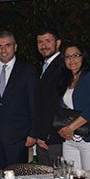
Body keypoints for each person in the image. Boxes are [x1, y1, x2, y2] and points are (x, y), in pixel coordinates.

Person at [0, 31, 37, 171]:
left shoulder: (28, 71)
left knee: (17, 178)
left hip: (18, 138)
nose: (3, 50)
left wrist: (33, 133)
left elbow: (34, 104)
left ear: (15, 47)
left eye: (7, 45)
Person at [57, 44, 90, 169]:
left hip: (89, 138)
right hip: (69, 139)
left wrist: (71, 127)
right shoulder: (66, 80)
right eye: (67, 57)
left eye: (76, 55)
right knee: (70, 176)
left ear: (83, 57)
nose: (71, 60)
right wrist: (63, 130)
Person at [34, 28, 66, 164]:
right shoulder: (45, 66)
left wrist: (44, 134)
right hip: (46, 135)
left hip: (54, 136)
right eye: (40, 42)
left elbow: (54, 103)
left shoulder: (63, 65)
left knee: (58, 174)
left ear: (58, 43)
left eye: (48, 41)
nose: (43, 45)